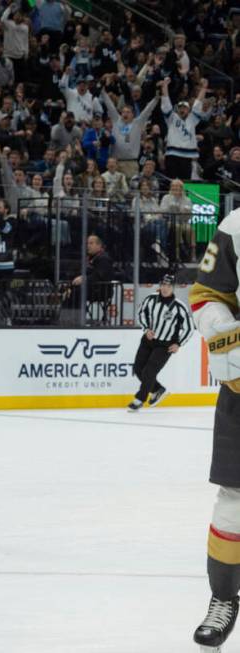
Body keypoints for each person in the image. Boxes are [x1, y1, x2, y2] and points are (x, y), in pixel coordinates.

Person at [188, 206, 240, 649]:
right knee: (235, 499)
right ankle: (223, 598)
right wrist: (225, 335)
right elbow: (205, 294)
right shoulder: (234, 225)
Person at [128, 274, 193, 411]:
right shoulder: (151, 299)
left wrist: (179, 343)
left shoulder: (179, 307)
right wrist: (146, 329)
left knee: (149, 370)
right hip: (148, 340)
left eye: (169, 286)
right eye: (163, 285)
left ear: (173, 287)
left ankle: (139, 399)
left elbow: (189, 328)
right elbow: (141, 313)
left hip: (165, 346)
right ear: (160, 285)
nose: (165, 288)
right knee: (138, 369)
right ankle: (159, 390)